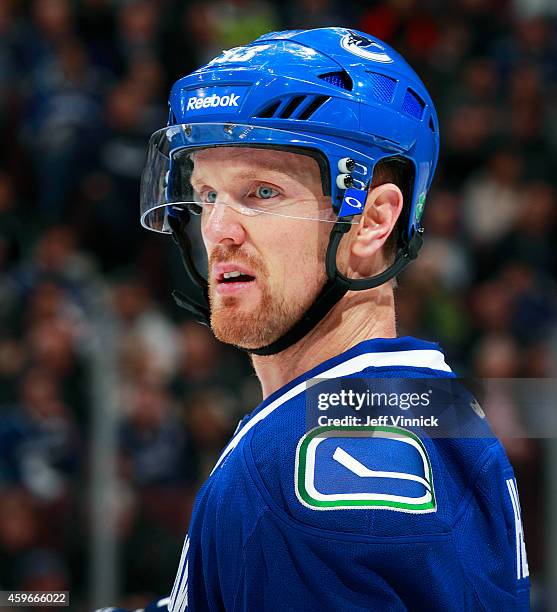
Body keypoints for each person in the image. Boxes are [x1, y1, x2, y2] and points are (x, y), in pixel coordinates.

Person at [136, 27, 530, 611]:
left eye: (262, 192)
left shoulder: (290, 471)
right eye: (207, 195)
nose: (217, 229)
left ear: (372, 221)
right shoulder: (445, 413)